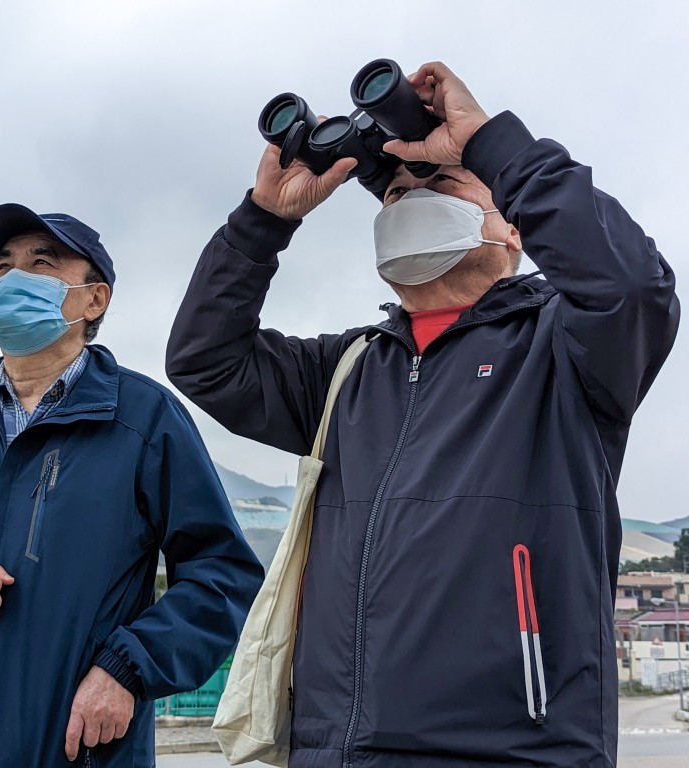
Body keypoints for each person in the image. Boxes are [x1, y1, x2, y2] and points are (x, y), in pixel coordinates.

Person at [166, 61, 680, 768]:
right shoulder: (346, 370)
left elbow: (630, 286)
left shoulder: (563, 351)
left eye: (439, 184)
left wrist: (490, 146)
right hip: (334, 752)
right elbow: (205, 359)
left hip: (509, 753)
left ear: (513, 228)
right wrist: (261, 225)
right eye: (395, 192)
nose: (409, 199)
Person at [0, 204, 264, 768]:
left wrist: (126, 669)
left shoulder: (143, 418)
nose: (13, 279)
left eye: (42, 263)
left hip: (82, 751)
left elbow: (222, 576)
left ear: (94, 299)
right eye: (2, 265)